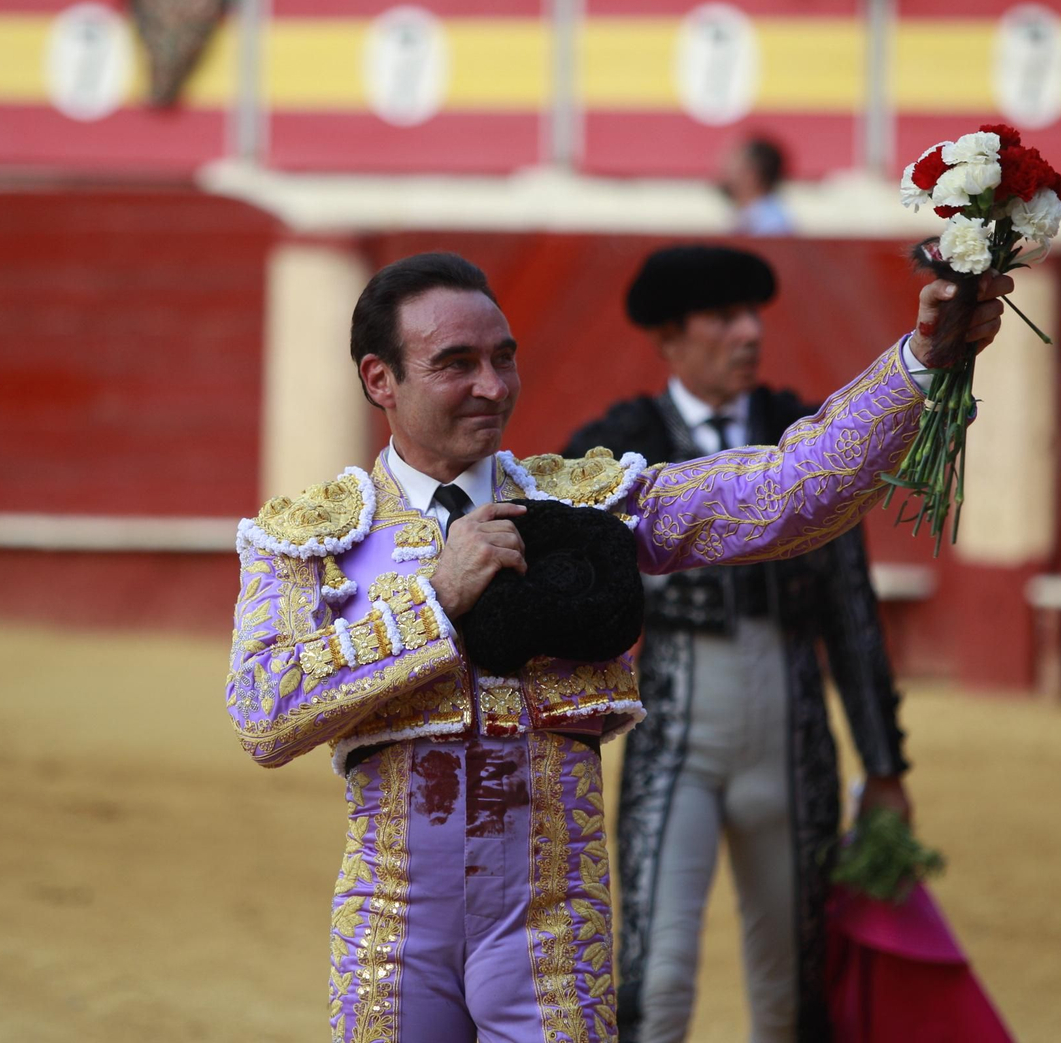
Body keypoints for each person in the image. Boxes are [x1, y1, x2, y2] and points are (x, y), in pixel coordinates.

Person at [223, 251, 1009, 1042]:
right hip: (389, 934)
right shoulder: (313, 538)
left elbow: (787, 488)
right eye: (456, 364)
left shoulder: (587, 504)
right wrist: (437, 596)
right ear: (379, 379)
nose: (493, 387)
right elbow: (263, 711)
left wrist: (920, 365)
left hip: (551, 929)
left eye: (503, 358)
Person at [563, 246, 913, 1043]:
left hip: (793, 737)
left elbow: (850, 614)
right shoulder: (616, 445)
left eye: (754, 316)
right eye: (724, 318)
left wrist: (885, 765)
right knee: (654, 985)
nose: (749, 333)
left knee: (795, 990)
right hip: (673, 739)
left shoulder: (810, 436)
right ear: (669, 338)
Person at [722, 136, 794, 236]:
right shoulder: (746, 216)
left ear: (752, 174)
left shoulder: (772, 225)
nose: (725, 173)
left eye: (734, 167)